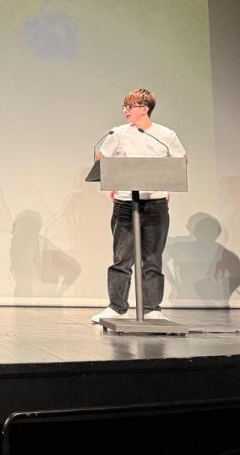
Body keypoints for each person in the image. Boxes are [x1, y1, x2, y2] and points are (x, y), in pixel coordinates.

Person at [91, 88, 187, 324]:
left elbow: (181, 160)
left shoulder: (165, 135)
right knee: (121, 258)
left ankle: (152, 309)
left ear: (144, 109)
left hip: (155, 204)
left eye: (130, 106)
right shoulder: (118, 133)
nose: (125, 111)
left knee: (152, 258)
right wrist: (114, 180)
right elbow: (102, 158)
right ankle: (117, 307)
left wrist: (167, 183)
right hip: (125, 203)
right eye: (124, 106)